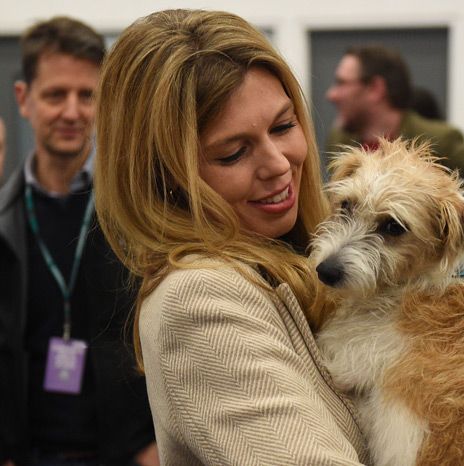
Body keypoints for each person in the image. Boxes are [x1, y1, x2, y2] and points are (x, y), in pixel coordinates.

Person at [94, 9, 370, 464]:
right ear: (165, 176)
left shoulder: (290, 259)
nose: (279, 163)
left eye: (284, 126)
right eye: (233, 153)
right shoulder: (199, 299)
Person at [0, 16, 156, 466]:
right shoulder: (5, 219)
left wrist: (156, 440)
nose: (72, 112)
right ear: (24, 99)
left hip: (128, 454)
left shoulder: (137, 214)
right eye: (55, 95)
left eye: (87, 95)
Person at [325, 44, 464, 289]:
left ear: (375, 88)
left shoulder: (440, 141)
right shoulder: (341, 141)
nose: (332, 94)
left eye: (342, 83)